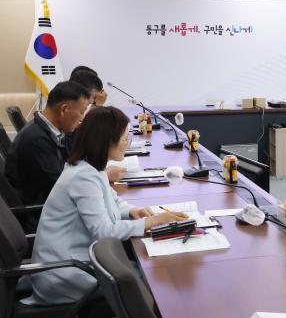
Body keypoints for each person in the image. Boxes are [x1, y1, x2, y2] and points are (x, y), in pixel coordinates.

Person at [22, 106, 187, 306]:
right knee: (151, 281)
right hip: (64, 273)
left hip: (76, 260)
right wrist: (149, 222)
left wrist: (131, 210)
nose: (127, 143)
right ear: (108, 141)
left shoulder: (90, 166)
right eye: (125, 139)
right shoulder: (83, 177)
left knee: (145, 274)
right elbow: (104, 232)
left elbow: (111, 198)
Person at [4, 81, 90, 205]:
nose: (82, 118)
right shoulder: (36, 140)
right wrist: (99, 178)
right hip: (40, 211)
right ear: (64, 109)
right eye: (82, 112)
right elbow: (61, 187)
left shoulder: (47, 131)